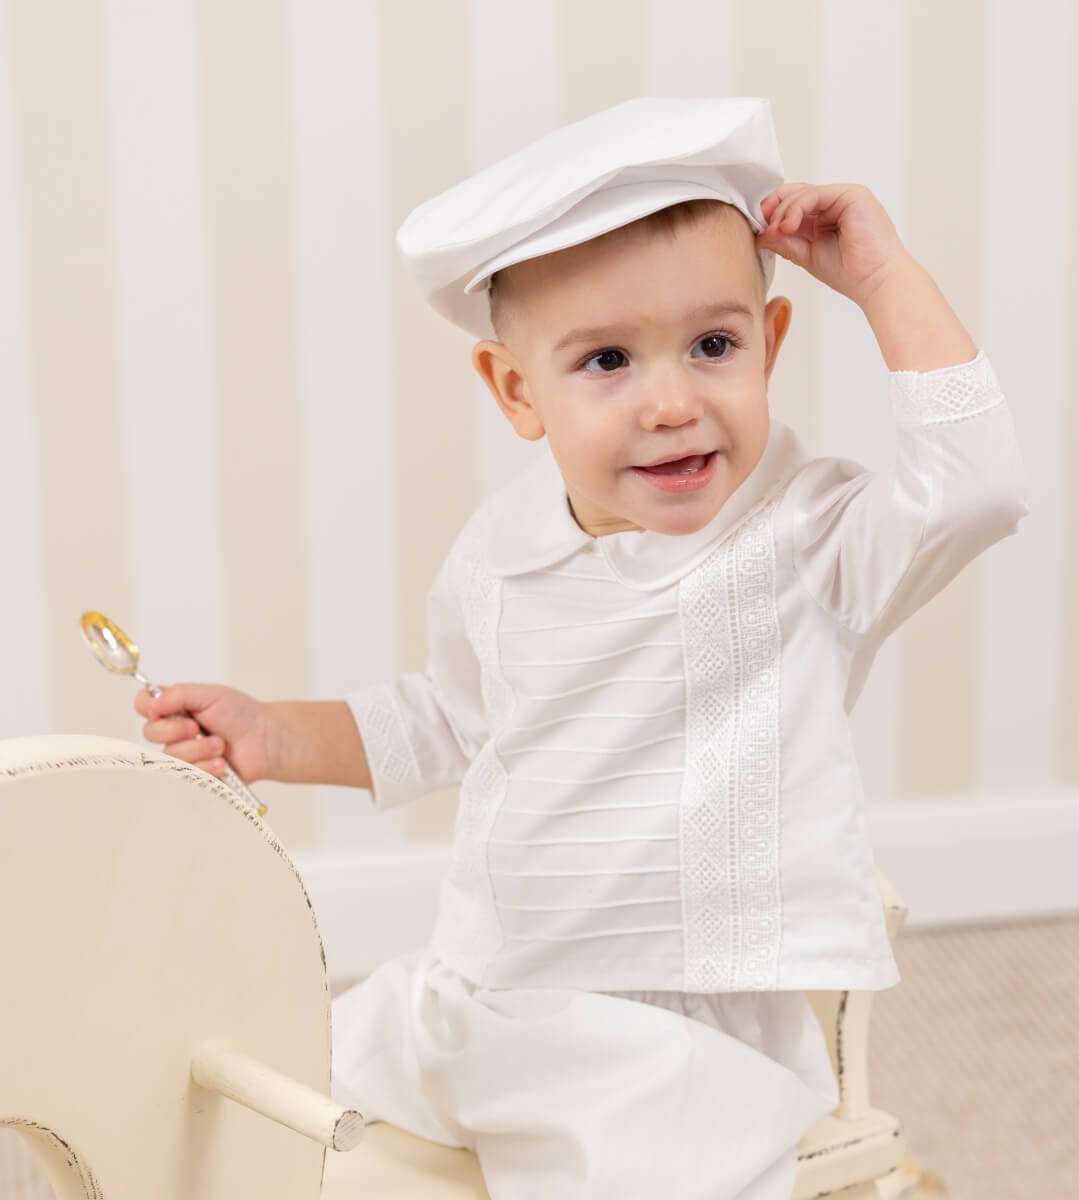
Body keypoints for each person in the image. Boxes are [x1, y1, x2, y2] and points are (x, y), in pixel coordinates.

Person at [135, 98, 1029, 1199]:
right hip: (486, 980)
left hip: (671, 1027)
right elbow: (447, 716)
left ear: (771, 343)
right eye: (607, 360)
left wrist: (884, 279)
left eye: (714, 345)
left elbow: (977, 490)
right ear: (517, 391)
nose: (672, 402)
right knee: (281, 1096)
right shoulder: (504, 551)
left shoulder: (808, 540)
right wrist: (277, 734)